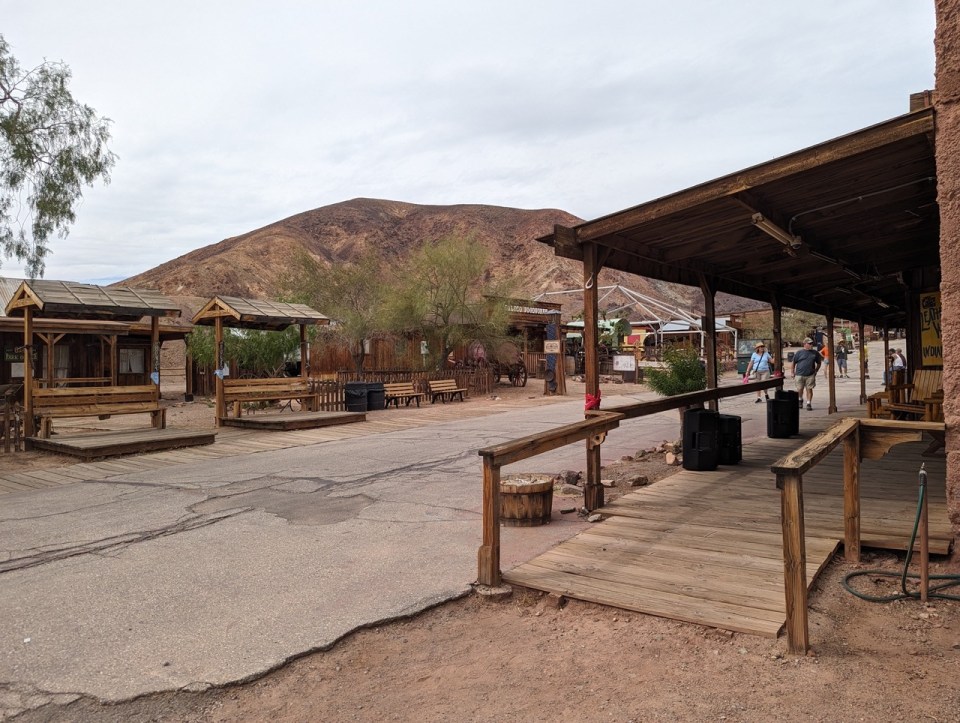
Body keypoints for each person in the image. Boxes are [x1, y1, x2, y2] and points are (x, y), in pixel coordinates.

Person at [791, 337, 822, 411]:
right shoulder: (799, 352)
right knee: (799, 389)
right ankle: (800, 399)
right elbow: (793, 362)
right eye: (809, 343)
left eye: (812, 343)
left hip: (810, 374)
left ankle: (808, 403)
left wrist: (816, 370)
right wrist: (792, 372)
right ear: (805, 344)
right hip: (799, 374)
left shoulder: (815, 353)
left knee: (809, 389)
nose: (811, 345)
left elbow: (819, 363)